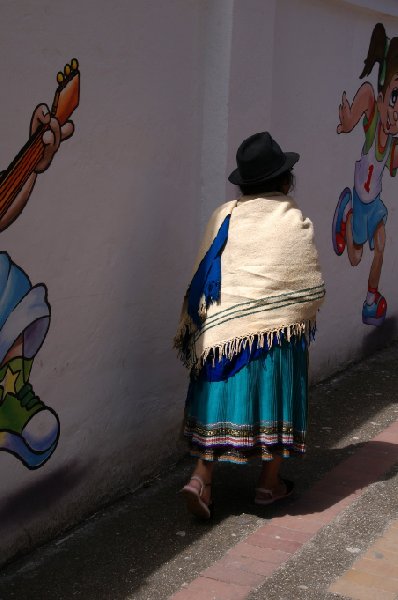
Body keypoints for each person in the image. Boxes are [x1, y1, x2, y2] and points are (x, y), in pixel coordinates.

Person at [174, 132, 325, 519]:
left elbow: (203, 274)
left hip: (221, 335)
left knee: (222, 347)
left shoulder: (223, 214)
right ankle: (268, 483)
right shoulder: (293, 220)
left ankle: (201, 478)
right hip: (269, 340)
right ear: (284, 181)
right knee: (288, 340)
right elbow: (309, 288)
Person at [333, 22, 398, 326]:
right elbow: (368, 93)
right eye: (395, 99)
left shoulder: (393, 142)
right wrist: (349, 121)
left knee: (382, 246)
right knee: (355, 257)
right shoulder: (374, 124)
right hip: (360, 201)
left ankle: (371, 298)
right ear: (385, 97)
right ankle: (345, 212)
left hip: (376, 206)